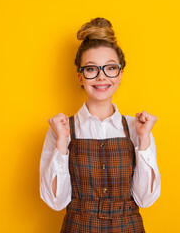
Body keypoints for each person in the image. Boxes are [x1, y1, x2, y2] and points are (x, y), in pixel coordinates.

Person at [39, 17, 161, 233]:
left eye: (110, 68)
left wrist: (143, 139)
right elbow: (56, 202)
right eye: (91, 69)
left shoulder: (137, 127)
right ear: (80, 76)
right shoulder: (61, 129)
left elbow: (145, 199)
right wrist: (61, 142)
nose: (101, 77)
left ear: (120, 74)